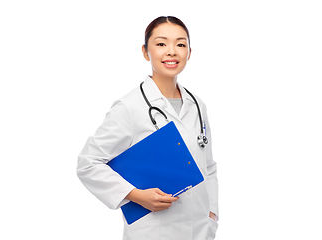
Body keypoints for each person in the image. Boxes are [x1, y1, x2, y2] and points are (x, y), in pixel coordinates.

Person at [77, 16, 219, 240]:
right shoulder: (129, 107)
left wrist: (212, 213)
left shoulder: (197, 105)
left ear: (189, 53)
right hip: (153, 231)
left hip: (200, 231)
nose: (172, 51)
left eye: (180, 44)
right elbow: (88, 164)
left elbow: (208, 168)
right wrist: (136, 196)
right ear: (145, 52)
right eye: (161, 44)